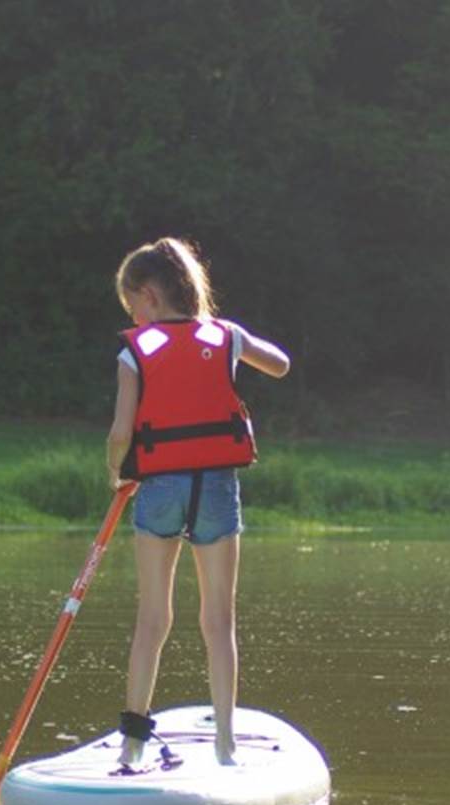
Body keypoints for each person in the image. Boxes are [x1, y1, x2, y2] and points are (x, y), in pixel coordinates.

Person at [105, 237, 291, 768]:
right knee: (218, 622)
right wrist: (238, 343)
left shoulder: (134, 352)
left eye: (131, 306)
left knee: (152, 620)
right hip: (214, 487)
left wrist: (115, 474)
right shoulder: (225, 336)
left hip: (159, 487)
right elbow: (279, 364)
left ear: (148, 296)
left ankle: (133, 743)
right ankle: (226, 746)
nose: (133, 318)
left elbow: (121, 433)